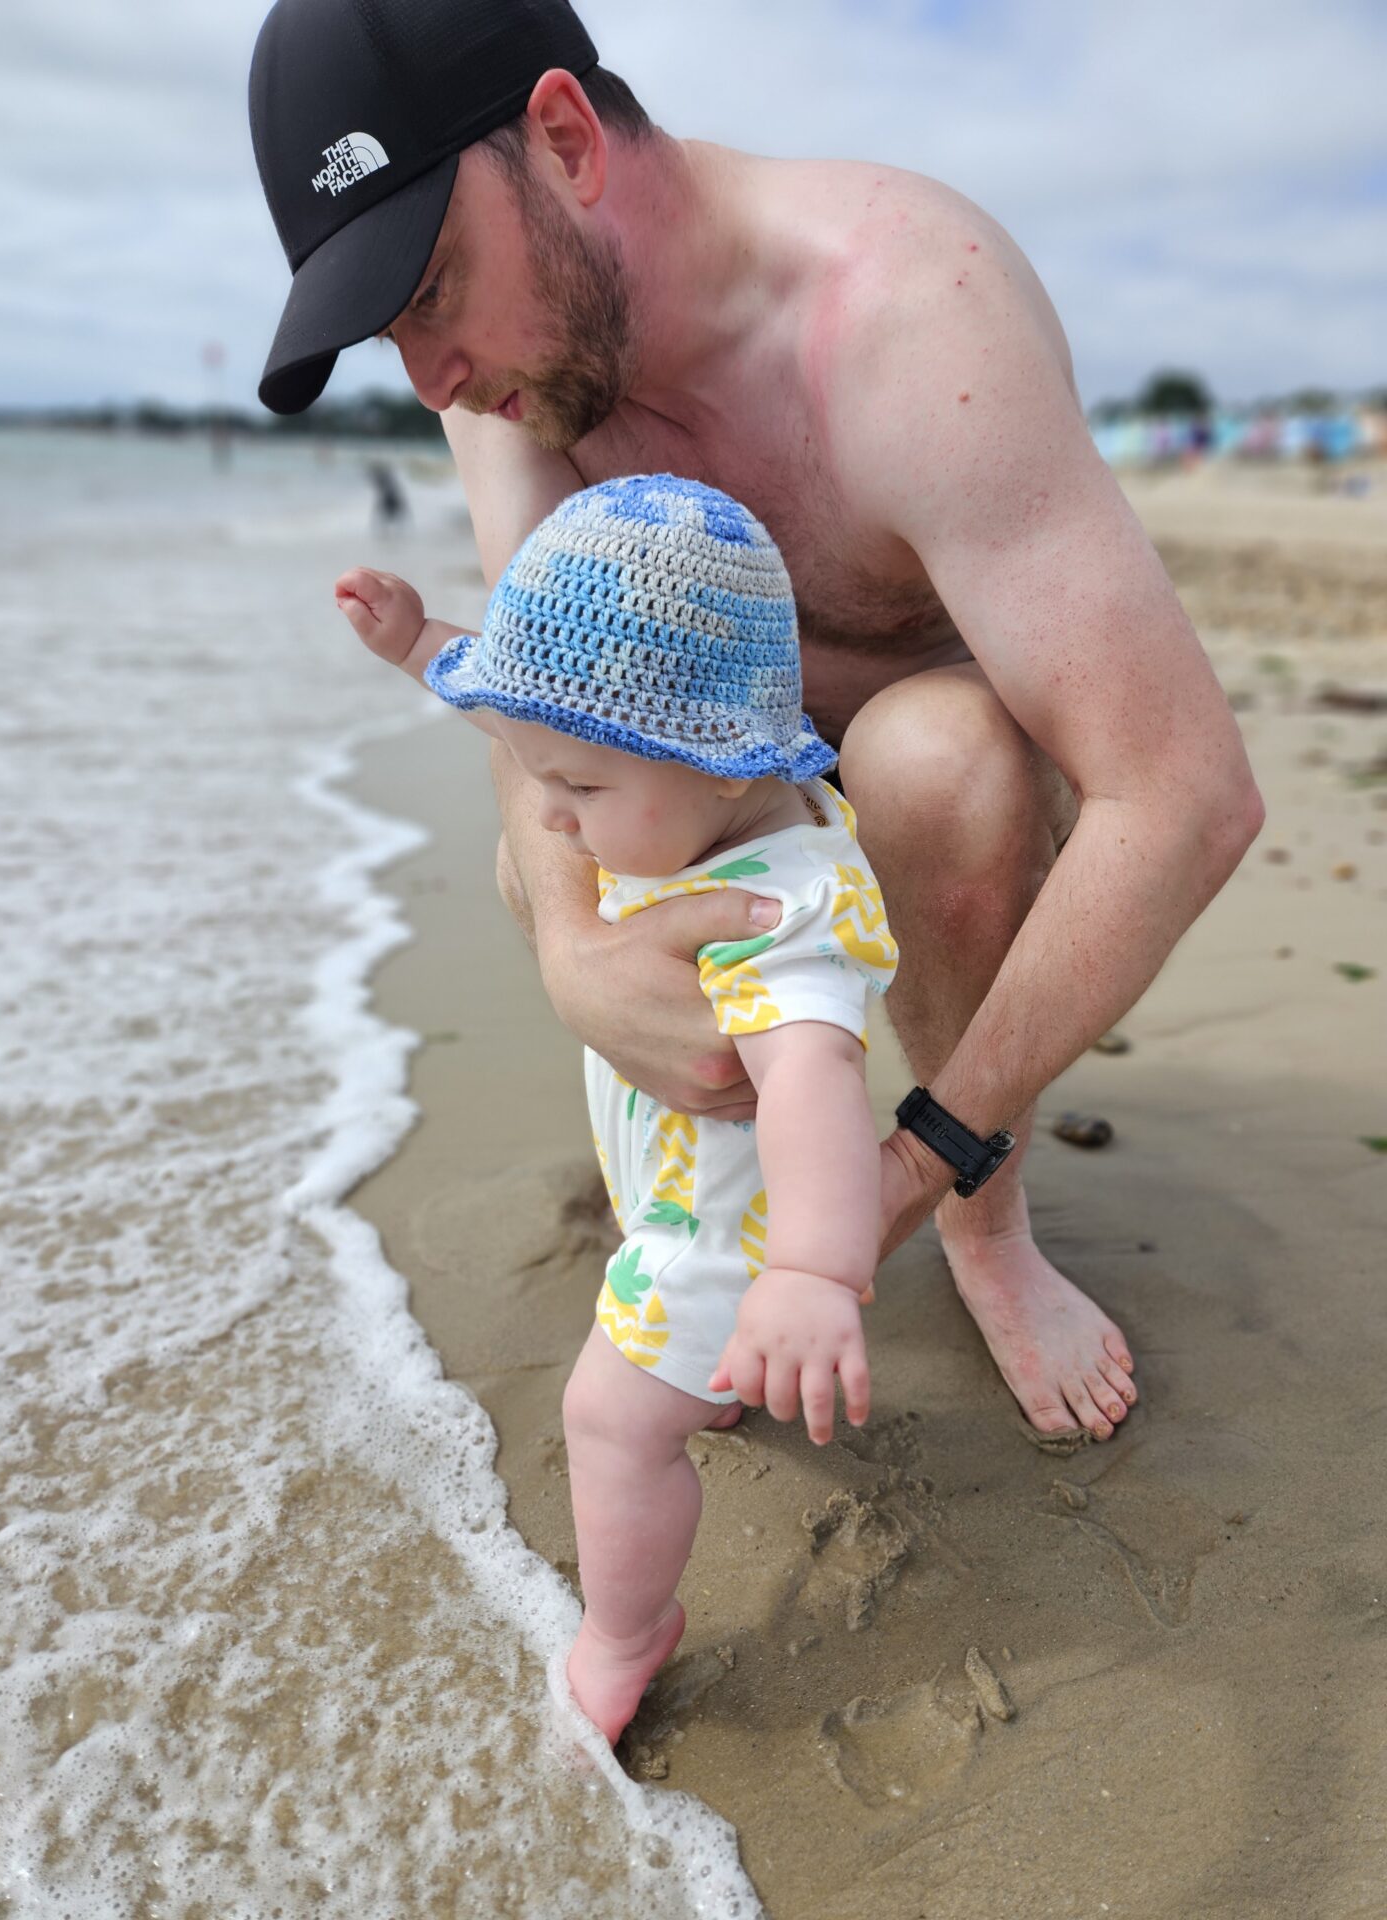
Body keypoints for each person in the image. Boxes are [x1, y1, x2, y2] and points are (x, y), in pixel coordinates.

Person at [250, 0, 1264, 1445]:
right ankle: (695, 1210)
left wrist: (912, 1181)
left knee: (935, 763)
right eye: (388, 332)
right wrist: (574, 952)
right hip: (716, 816)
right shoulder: (514, 380)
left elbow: (1183, 795)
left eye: (429, 290)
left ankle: (991, 1235)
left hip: (937, 799)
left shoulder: (908, 314)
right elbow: (541, 716)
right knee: (579, 820)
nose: (431, 381)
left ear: (563, 138)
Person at [336, 474, 898, 1742]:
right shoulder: (680, 799)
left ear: (709, 764)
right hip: (695, 1183)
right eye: (541, 772)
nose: (545, 811)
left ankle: (627, 1629)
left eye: (577, 790)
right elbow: (528, 719)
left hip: (721, 1233)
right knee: (669, 1384)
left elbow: (811, 1078)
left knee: (609, 1417)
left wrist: (811, 1273)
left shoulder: (780, 914)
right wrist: (418, 643)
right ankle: (730, 1375)